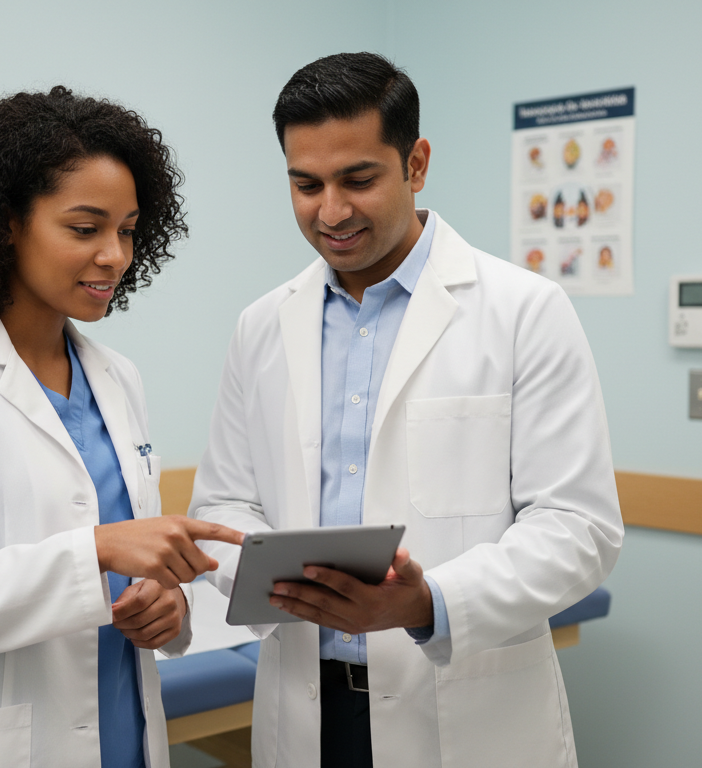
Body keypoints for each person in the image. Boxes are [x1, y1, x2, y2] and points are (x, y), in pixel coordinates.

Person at [190, 52, 623, 767]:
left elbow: (580, 529)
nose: (331, 211)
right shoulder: (262, 326)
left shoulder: (523, 311)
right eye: (307, 184)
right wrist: (273, 574)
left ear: (415, 164)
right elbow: (227, 503)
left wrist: (426, 604)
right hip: (307, 708)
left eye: (358, 179)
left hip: (460, 708)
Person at [0, 87, 243, 767]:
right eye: (85, 229)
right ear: (7, 224)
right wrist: (96, 552)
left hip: (123, 733)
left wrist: (167, 610)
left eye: (126, 230)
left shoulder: (118, 378)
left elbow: (129, 570)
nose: (116, 255)